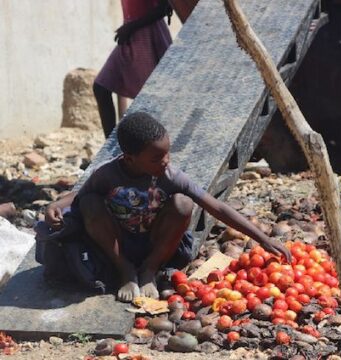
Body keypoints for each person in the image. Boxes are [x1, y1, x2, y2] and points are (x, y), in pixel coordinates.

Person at [45, 112, 291, 302]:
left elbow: (216, 207)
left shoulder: (170, 176)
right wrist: (56, 204)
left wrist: (263, 239)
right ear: (129, 158)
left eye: (167, 154)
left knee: (183, 203)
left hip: (157, 245)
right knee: (90, 204)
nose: (165, 162)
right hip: (117, 245)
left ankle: (149, 270)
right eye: (156, 158)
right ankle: (126, 272)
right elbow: (81, 196)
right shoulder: (107, 174)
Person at [93, 0, 173, 138]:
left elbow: (165, 7)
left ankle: (155, 147)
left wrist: (132, 27)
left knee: (150, 99)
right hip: (130, 36)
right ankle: (110, 146)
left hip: (147, 37)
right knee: (101, 88)